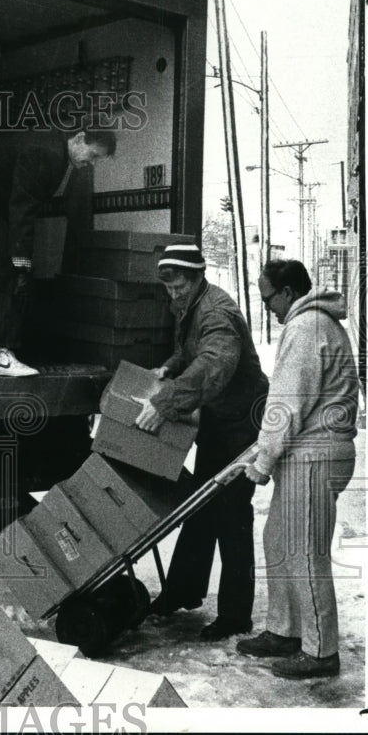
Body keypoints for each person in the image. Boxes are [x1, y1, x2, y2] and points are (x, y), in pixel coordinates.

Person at [134, 244, 269, 640]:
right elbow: (188, 352)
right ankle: (182, 591)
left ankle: (235, 615)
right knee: (199, 504)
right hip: (218, 417)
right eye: (169, 288)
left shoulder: (217, 313)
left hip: (242, 421)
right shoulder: (190, 305)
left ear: (198, 277)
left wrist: (167, 401)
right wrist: (170, 367)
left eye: (179, 287)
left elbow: (214, 364)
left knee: (231, 515)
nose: (173, 295)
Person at [237, 260, 359, 679]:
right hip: (310, 451)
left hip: (316, 454)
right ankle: (286, 630)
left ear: (288, 292)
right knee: (279, 540)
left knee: (305, 552)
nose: (266, 304)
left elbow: (289, 401)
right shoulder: (314, 323)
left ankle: (321, 651)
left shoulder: (307, 327)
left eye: (267, 295)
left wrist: (265, 457)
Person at [0, 125, 116, 376]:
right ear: (80, 138)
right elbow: (23, 207)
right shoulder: (48, 153)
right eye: (93, 155)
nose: (90, 164)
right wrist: (21, 259)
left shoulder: (51, 146)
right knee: (10, 266)